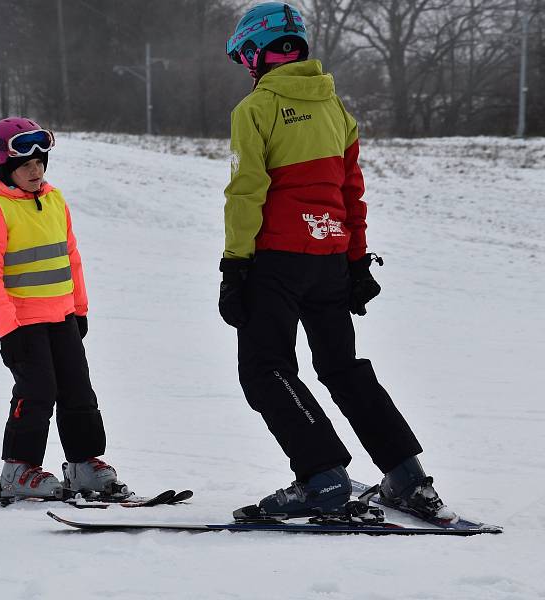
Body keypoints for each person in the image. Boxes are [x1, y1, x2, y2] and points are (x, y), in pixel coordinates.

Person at [220, 3, 451, 520]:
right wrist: (355, 260)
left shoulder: (254, 110)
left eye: (246, 58)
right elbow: (352, 193)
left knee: (264, 369)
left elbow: (246, 192)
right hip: (328, 257)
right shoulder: (335, 108)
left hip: (275, 261)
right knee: (341, 367)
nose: (247, 68)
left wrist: (234, 264)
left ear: (257, 53)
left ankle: (322, 477)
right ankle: (406, 475)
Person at [0, 117, 125, 500]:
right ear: (3, 168)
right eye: (25, 165)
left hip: (63, 318)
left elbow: (71, 256)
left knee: (78, 389)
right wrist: (8, 329)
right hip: (23, 324)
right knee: (36, 392)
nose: (35, 170)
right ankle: (17, 470)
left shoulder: (55, 199)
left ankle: (84, 464)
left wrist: (80, 308)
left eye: (40, 162)